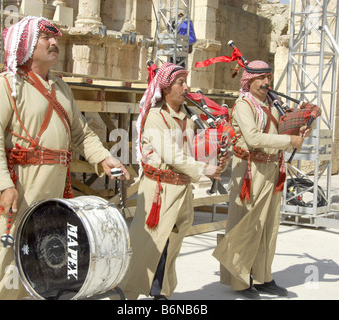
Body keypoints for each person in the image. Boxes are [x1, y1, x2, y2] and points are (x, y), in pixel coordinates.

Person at [0, 16, 129, 300]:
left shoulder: (61, 88)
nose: (55, 43)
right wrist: (3, 184)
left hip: (53, 193)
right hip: (18, 188)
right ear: (27, 44)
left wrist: (105, 158)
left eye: (55, 39)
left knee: (38, 264)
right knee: (1, 262)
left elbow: (81, 134)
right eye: (46, 38)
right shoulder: (5, 85)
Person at [119, 62, 228, 300]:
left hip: (182, 189)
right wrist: (204, 169)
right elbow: (171, 154)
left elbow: (193, 150)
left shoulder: (187, 117)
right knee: (148, 245)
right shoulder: (155, 117)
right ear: (166, 88)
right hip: (160, 191)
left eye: (185, 81)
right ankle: (125, 295)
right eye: (180, 83)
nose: (185, 87)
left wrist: (219, 153)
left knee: (171, 245)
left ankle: (161, 292)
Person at [212, 60, 308, 299]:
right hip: (249, 170)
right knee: (247, 224)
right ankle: (240, 280)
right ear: (249, 80)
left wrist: (299, 128)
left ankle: (264, 277)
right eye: (261, 78)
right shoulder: (244, 105)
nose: (266, 83)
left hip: (273, 168)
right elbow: (254, 138)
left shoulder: (272, 104)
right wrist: (290, 142)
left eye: (268, 78)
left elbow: (280, 131)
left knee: (268, 225)